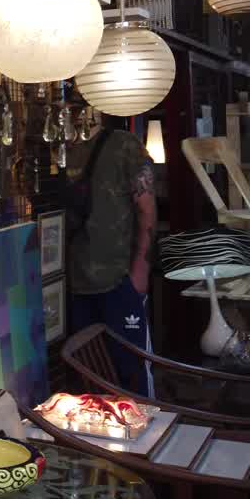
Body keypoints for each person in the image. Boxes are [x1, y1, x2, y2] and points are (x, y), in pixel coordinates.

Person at [64, 125, 157, 396]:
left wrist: (140, 270)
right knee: (88, 377)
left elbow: (147, 211)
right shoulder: (60, 147)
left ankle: (147, 431)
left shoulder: (124, 145)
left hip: (119, 278)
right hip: (75, 282)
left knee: (132, 370)